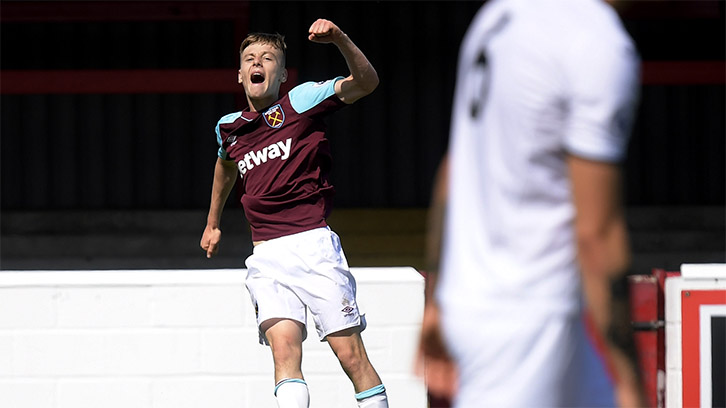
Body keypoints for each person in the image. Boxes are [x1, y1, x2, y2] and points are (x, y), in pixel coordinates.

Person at [417, 0, 646, 407]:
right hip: (525, 323)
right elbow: (598, 233)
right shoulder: (597, 43)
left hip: (492, 307)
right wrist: (630, 379)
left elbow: (456, 168)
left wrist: (437, 301)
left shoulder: (498, 16)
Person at [200, 19, 387, 408]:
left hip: (312, 246)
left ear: (282, 74)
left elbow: (366, 83)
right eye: (250, 58)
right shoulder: (229, 128)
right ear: (240, 74)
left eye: (269, 58)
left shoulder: (300, 101)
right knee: (283, 353)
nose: (258, 63)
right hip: (266, 256)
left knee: (351, 356)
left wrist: (339, 38)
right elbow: (225, 165)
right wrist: (213, 222)